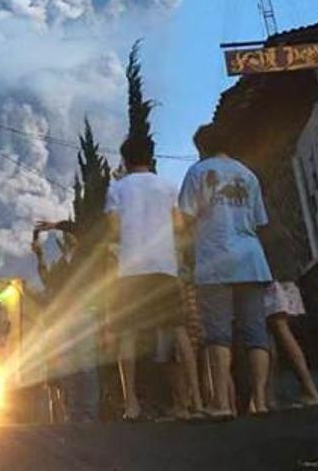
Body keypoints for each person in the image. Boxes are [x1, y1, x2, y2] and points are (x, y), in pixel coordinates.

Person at [178, 124, 272, 419]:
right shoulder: (248, 174)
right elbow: (259, 221)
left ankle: (222, 403)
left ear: (202, 147)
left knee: (218, 335)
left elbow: (184, 218)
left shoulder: (197, 172)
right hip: (252, 259)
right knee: (256, 332)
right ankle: (260, 402)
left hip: (215, 259)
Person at [105, 133, 193, 421]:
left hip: (131, 269)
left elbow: (114, 231)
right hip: (164, 266)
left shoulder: (117, 189)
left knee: (128, 334)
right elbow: (179, 226)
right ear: (151, 157)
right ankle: (192, 401)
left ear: (125, 160)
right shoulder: (167, 186)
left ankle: (131, 403)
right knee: (178, 331)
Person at [31, 220, 100, 422]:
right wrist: (39, 256)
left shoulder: (85, 256)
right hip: (66, 316)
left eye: (69, 235)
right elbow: (47, 281)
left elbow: (79, 227)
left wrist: (54, 225)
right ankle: (74, 412)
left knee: (87, 365)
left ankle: (89, 413)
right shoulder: (62, 262)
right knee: (70, 366)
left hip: (85, 313)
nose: (68, 237)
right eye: (65, 236)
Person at [262, 222, 318, 409]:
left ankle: (310, 389)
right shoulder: (279, 225)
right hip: (286, 279)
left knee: (277, 331)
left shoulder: (258, 227)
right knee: (272, 334)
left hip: (271, 281)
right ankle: (269, 396)